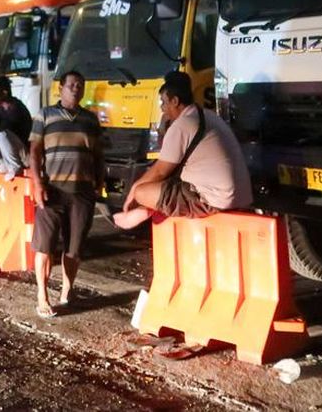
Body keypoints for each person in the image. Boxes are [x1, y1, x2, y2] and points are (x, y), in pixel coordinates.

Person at [114, 71, 253, 230]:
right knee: (166, 185)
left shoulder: (183, 124)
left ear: (175, 101)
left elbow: (160, 171)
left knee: (143, 191)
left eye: (163, 102)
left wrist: (133, 192)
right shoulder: (207, 115)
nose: (162, 108)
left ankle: (142, 213)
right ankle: (144, 210)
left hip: (214, 199)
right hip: (239, 195)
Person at [28, 70, 104, 318]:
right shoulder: (45, 115)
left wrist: (99, 182)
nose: (76, 88)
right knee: (45, 246)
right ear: (60, 88)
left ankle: (67, 291)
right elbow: (35, 152)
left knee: (74, 248)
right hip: (52, 190)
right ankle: (42, 295)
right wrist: (37, 183)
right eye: (71, 85)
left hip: (82, 192)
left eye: (80, 85)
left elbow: (98, 155)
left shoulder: (91, 120)